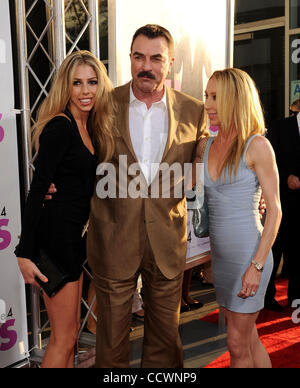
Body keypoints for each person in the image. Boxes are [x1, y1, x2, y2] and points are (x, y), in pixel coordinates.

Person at [86, 24, 208, 368]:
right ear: (129, 59)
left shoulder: (193, 110)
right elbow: (80, 157)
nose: (146, 65)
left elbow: (205, 164)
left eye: (156, 58)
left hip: (168, 239)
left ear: (169, 63)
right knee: (110, 342)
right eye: (138, 56)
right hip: (114, 237)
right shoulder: (104, 106)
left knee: (165, 339)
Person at [15, 50, 115, 368]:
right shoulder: (61, 126)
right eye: (77, 83)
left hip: (73, 241)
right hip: (56, 242)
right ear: (66, 87)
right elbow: (38, 191)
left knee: (70, 337)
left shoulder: (92, 128)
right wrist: (24, 254)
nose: (85, 90)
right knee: (63, 339)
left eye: (92, 82)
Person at [196, 68, 281, 368]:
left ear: (235, 99)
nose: (207, 103)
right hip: (221, 259)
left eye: (216, 97)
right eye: (207, 96)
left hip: (250, 256)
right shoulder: (206, 145)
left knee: (236, 342)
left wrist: (256, 266)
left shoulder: (257, 145)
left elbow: (275, 210)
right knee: (248, 337)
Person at [266, 108, 300, 306]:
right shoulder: (280, 126)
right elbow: (269, 161)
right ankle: (267, 296)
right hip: (279, 202)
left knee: (298, 252)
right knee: (274, 249)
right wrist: (286, 177)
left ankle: (296, 296)